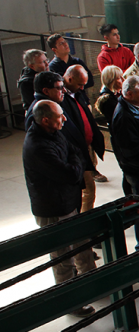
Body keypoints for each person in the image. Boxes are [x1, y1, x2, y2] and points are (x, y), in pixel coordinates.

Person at [22, 99, 96, 317]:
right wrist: (75, 165)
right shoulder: (37, 146)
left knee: (83, 247)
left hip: (68, 202)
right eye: (59, 116)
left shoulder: (53, 132)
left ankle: (92, 285)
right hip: (53, 210)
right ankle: (70, 303)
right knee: (62, 258)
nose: (64, 119)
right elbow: (71, 173)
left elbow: (75, 152)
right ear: (45, 120)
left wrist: (74, 162)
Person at [110, 75, 139, 247]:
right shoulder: (123, 116)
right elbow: (131, 149)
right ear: (128, 93)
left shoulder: (138, 107)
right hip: (137, 170)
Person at [62, 65, 107, 204]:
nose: (82, 88)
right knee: (87, 192)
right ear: (69, 79)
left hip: (86, 147)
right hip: (76, 151)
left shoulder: (77, 92)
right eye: (80, 84)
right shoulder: (61, 98)